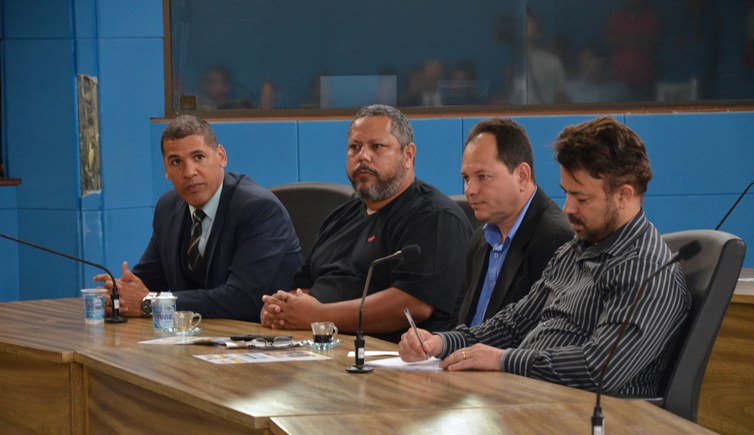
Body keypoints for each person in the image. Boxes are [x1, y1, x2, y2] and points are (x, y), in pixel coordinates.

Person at [400, 116, 692, 397]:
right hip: (526, 400)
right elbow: (512, 326)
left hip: (590, 423)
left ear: (624, 195)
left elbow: (600, 370)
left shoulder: (648, 271)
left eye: (582, 198)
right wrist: (443, 343)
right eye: (566, 193)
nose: (567, 208)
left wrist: (503, 361)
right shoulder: (575, 250)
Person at [260, 104, 472, 342]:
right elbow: (304, 286)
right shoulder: (340, 217)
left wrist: (320, 317)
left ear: (408, 155)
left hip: (392, 360)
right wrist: (281, 308)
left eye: (377, 147)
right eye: (355, 147)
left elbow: (414, 304)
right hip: (319, 350)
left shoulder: (435, 217)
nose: (363, 156)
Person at [94, 115, 302, 321]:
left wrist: (151, 302)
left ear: (221, 156)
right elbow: (147, 282)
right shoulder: (168, 208)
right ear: (166, 169)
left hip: (260, 340)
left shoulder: (259, 209)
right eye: (176, 162)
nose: (189, 172)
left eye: (198, 157)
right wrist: (118, 294)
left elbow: (242, 299)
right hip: (196, 337)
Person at [458, 118, 572, 327]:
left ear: (521, 176)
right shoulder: (480, 240)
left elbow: (540, 338)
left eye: (483, 176)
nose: (470, 190)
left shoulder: (557, 240)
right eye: (466, 178)